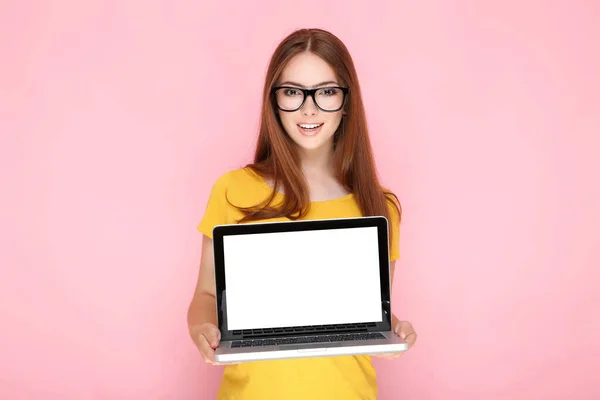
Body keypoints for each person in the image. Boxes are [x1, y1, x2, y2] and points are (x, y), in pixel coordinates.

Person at [187, 28, 417, 400]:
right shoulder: (233, 189)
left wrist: (395, 328)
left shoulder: (380, 206)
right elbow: (206, 294)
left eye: (326, 92)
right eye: (293, 92)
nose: (309, 109)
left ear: (346, 101)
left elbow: (368, 313)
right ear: (274, 101)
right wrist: (202, 327)